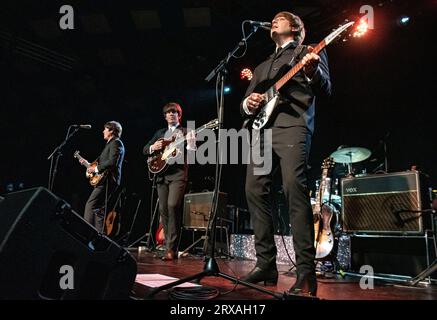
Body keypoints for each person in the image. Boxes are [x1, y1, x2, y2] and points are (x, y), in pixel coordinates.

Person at [240, 11, 331, 296]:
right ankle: (266, 264)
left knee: (294, 189)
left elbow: (326, 89)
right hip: (262, 132)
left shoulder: (308, 52)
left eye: (280, 18)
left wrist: (311, 70)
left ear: (295, 27)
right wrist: (248, 103)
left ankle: (306, 272)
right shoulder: (263, 65)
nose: (273, 20)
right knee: (253, 190)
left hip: (293, 125)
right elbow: (247, 102)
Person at [144, 102, 196, 261]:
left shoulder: (186, 132)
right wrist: (153, 146)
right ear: (165, 116)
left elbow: (192, 156)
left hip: (178, 174)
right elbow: (145, 149)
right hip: (161, 175)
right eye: (169, 112)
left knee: (173, 206)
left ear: (179, 115)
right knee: (163, 209)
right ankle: (168, 247)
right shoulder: (160, 132)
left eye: (175, 112)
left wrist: (192, 143)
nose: (171, 114)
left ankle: (172, 248)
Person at [83, 121, 125, 232]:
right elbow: (104, 163)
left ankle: (86, 233)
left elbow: (112, 162)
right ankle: (98, 239)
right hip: (105, 180)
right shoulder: (111, 144)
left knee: (90, 205)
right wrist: (90, 166)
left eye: (105, 129)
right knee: (97, 209)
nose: (103, 131)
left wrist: (95, 169)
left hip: (108, 180)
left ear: (111, 131)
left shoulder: (116, 143)